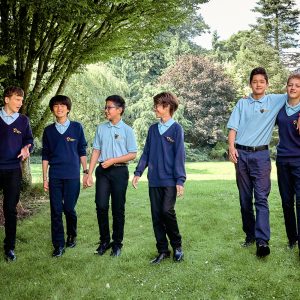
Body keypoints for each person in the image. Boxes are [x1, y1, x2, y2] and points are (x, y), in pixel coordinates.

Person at [227, 67, 287, 258]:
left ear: (267, 84)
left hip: (261, 156)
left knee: (261, 198)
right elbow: (233, 128)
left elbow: (296, 95)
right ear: (250, 84)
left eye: (262, 81)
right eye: (255, 81)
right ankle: (250, 235)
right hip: (241, 155)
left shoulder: (275, 100)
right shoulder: (242, 103)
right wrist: (231, 148)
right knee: (245, 199)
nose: (258, 84)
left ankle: (262, 242)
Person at [132, 92, 186, 264]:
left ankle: (177, 246)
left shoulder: (177, 129)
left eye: (157, 105)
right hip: (154, 180)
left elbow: (179, 155)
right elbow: (146, 153)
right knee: (156, 215)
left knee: (166, 211)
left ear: (167, 107)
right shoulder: (152, 129)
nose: (155, 108)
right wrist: (138, 172)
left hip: (170, 180)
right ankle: (163, 250)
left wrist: (180, 180)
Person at [84, 95, 137, 257]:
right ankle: (104, 241)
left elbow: (133, 154)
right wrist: (89, 173)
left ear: (119, 110)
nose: (106, 110)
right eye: (105, 107)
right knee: (101, 206)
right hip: (103, 172)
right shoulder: (101, 128)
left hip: (120, 172)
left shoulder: (127, 130)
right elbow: (96, 151)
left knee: (118, 208)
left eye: (109, 107)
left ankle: (117, 244)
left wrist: (114, 160)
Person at [42, 95, 87, 257]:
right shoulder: (48, 131)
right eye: (56, 105)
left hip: (72, 175)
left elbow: (82, 151)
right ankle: (59, 245)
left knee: (69, 209)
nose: (59, 108)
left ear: (68, 109)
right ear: (52, 109)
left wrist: (86, 172)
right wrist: (45, 178)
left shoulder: (77, 127)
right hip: (55, 176)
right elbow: (45, 155)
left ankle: (72, 234)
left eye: (62, 105)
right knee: (56, 210)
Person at [0, 86, 33, 261]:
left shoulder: (23, 121)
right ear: (7, 99)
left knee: (10, 209)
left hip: (13, 170)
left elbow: (29, 140)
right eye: (17, 99)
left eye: (22, 100)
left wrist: (27, 148)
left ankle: (9, 248)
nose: (20, 103)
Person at [276, 73, 300, 256]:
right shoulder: (280, 108)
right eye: (290, 85)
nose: (293, 88)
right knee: (286, 202)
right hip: (282, 160)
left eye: (297, 85)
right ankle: (292, 240)